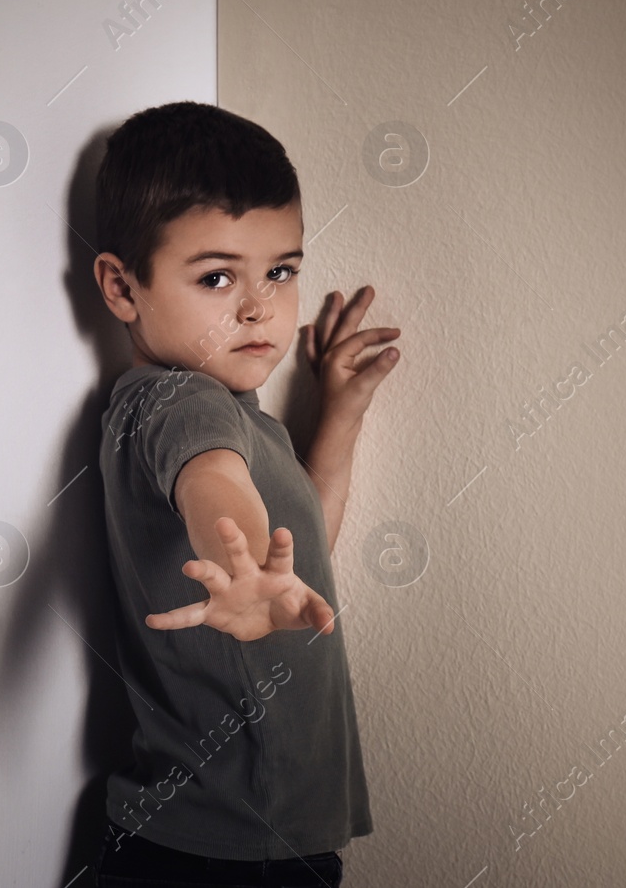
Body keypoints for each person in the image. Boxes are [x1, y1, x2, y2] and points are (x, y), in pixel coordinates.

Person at [88, 101, 401, 886]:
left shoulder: (241, 417)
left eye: (281, 270)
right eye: (217, 276)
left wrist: (339, 415)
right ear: (123, 288)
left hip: (255, 838)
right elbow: (213, 487)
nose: (259, 305)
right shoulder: (172, 404)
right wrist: (243, 549)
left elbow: (305, 555)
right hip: (222, 853)